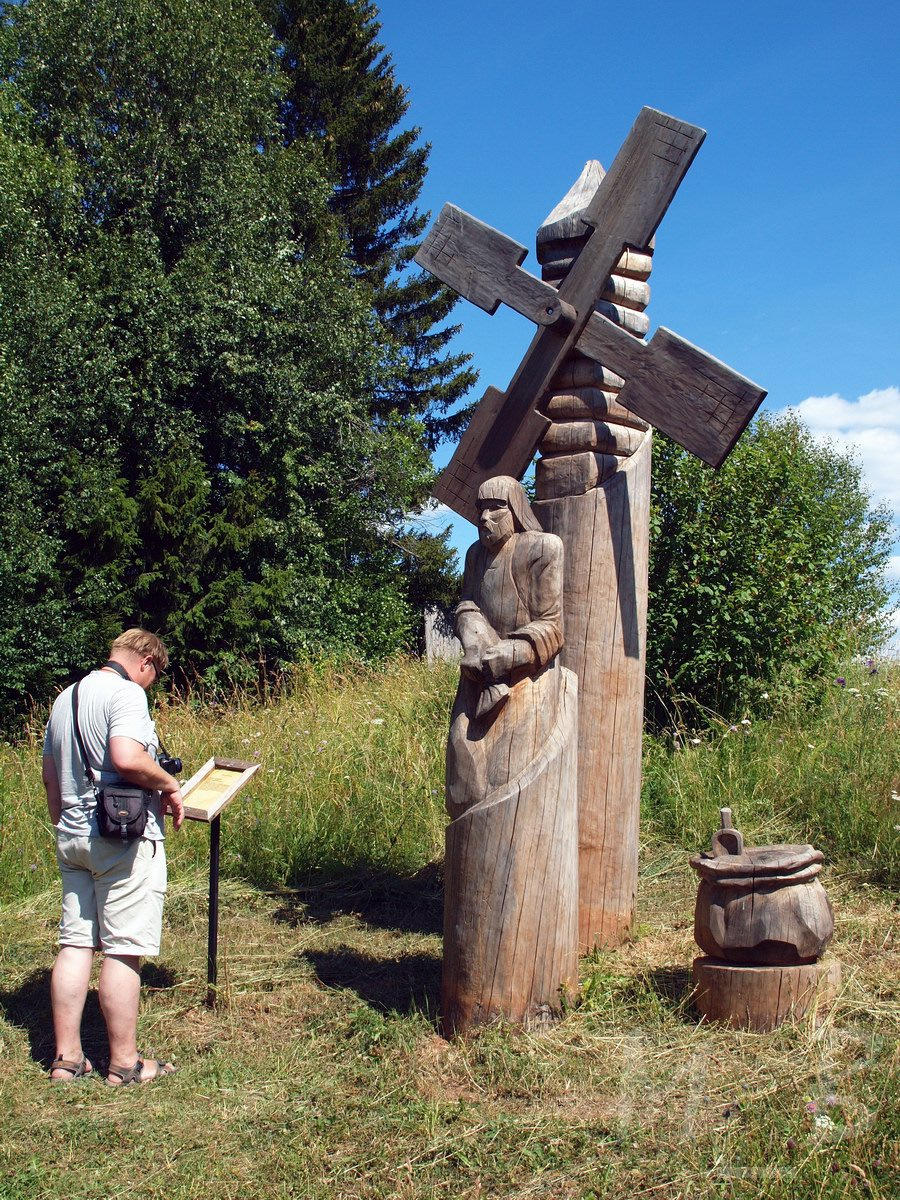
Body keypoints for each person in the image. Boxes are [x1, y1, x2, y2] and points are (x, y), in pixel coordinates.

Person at [41, 628, 184, 1085]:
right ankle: (125, 1063)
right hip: (119, 838)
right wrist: (168, 782)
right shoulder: (126, 694)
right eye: (154, 675)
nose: (151, 684)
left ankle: (67, 1058)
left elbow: (49, 776)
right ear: (145, 661)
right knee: (123, 947)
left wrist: (67, 823)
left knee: (76, 943)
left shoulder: (65, 698)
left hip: (71, 835)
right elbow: (126, 758)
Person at [446, 475, 566, 818]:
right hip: (478, 673)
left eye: (495, 507)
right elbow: (466, 604)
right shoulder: (474, 555)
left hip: (528, 678)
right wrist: (473, 635)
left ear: (515, 510)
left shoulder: (543, 548)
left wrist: (511, 653)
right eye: (480, 508)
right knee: (461, 765)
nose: (484, 517)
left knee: (508, 772)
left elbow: (553, 625)